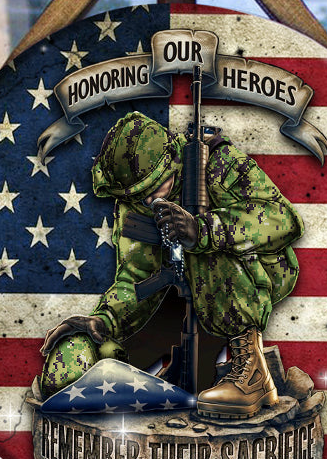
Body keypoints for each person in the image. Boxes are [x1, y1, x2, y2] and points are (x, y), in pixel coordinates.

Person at [40, 111, 304, 418]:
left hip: (256, 274)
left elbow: (284, 219)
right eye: (139, 195)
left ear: (172, 163)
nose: (149, 201)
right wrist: (105, 319)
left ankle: (253, 374)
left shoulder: (218, 163)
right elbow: (134, 277)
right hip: (175, 286)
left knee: (204, 252)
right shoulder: (134, 199)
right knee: (74, 363)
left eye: (156, 188)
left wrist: (203, 230)